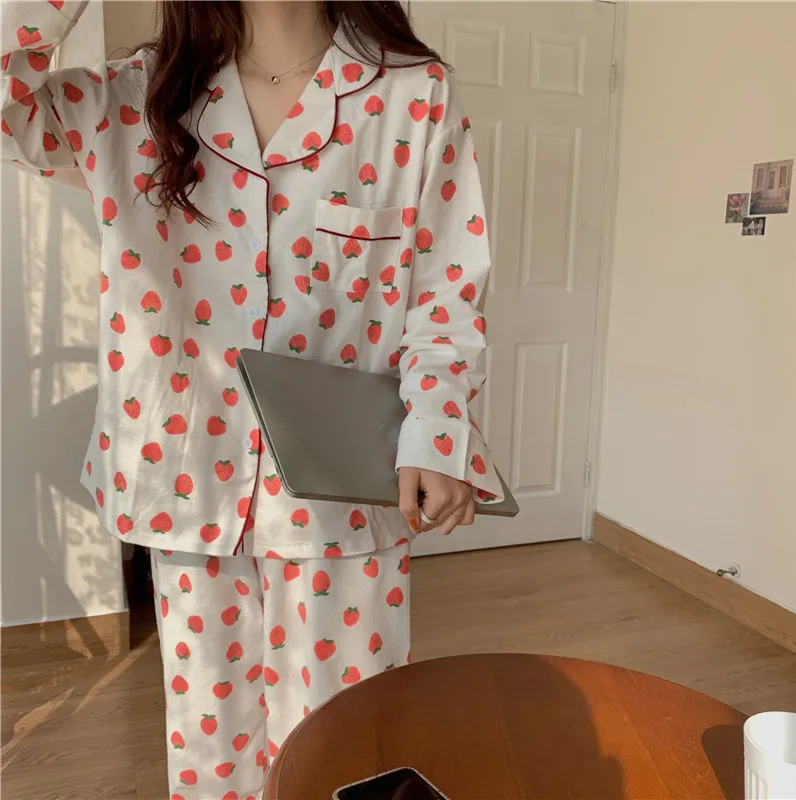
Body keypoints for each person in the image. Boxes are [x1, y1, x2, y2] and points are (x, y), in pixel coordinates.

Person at [1, 1, 504, 796]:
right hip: (187, 481)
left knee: (345, 748)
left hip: (342, 497)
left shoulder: (412, 94)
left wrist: (437, 429)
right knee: (211, 756)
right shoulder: (133, 98)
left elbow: (446, 285)